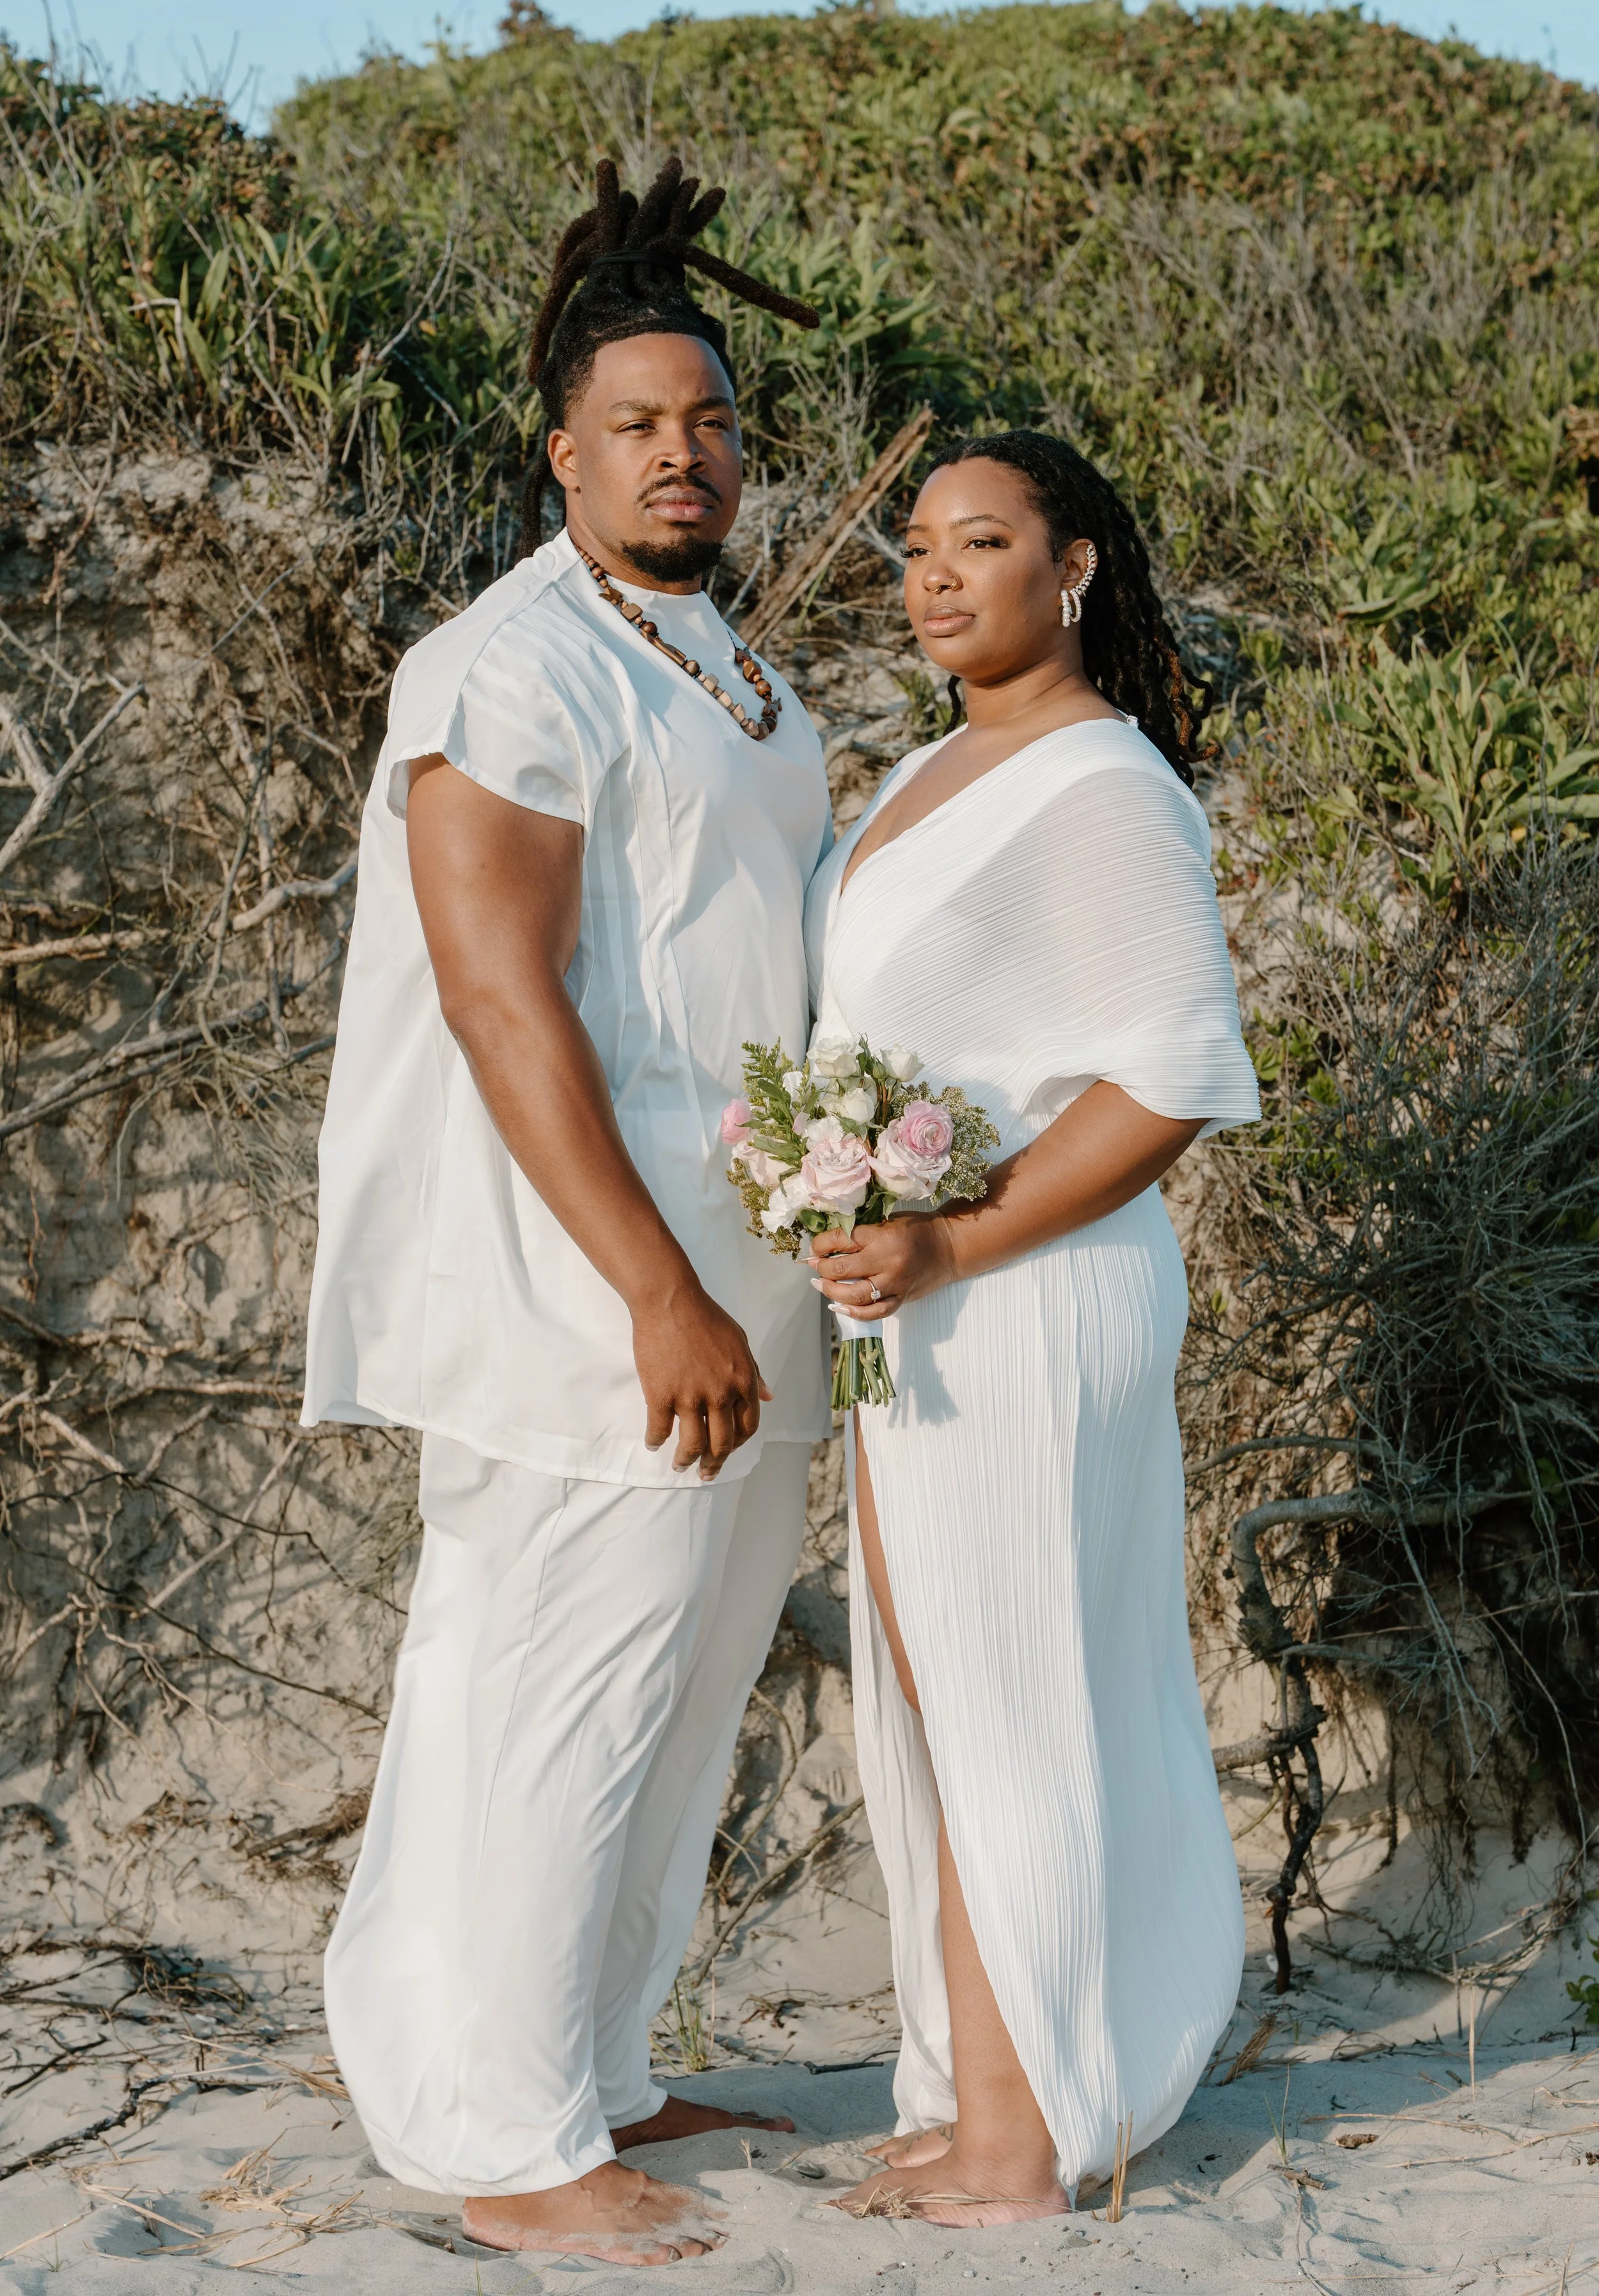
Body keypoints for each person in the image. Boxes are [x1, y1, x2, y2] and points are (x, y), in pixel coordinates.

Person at [299, 159, 833, 2266]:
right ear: (561, 454)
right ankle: (508, 2133)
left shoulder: (727, 669)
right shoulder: (504, 667)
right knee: (548, 1680)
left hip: (749, 1278)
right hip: (590, 1292)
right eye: (634, 425)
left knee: (682, 1691)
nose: (679, 452)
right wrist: (657, 1287)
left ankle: (597, 2056)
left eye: (706, 421)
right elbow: (499, 996)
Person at [805, 429, 1260, 2225]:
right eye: (914, 545)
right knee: (943, 1688)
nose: (932, 576)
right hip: (918, 1292)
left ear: (1070, 567)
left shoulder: (1105, 787)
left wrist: (951, 1236)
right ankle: (993, 2087)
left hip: (1023, 1291)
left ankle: (1026, 2138)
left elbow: (1170, 1076)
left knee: (1018, 1690)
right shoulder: (932, 765)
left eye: (978, 541)